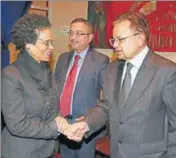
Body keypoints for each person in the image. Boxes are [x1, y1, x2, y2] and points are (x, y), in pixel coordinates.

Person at [68, 11, 176, 158]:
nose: (115, 45)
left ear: (140, 39)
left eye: (120, 39)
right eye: (113, 40)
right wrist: (86, 124)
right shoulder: (112, 68)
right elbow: (106, 107)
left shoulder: (167, 71)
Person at [1, 14, 73, 158]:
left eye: (51, 42)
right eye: (46, 43)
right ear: (28, 44)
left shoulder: (47, 70)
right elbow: (17, 125)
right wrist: (55, 126)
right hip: (21, 152)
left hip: (48, 150)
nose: (51, 47)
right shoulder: (10, 75)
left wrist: (60, 119)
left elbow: (51, 107)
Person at [55, 17, 109, 158]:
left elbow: (108, 97)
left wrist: (90, 119)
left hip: (85, 128)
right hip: (63, 126)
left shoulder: (100, 61)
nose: (73, 37)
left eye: (79, 34)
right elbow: (56, 90)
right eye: (71, 33)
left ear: (90, 37)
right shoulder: (62, 58)